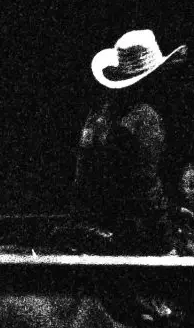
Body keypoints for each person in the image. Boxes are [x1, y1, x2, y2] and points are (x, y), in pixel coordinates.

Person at [67, 28, 186, 256]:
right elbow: (144, 187)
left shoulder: (99, 114)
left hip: (92, 229)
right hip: (131, 237)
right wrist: (167, 242)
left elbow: (90, 180)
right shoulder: (143, 117)